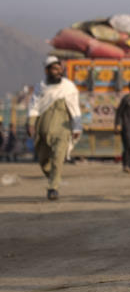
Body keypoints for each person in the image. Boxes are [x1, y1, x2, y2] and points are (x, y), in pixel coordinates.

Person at [26, 56, 82, 200]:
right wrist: (31, 123)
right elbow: (34, 106)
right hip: (42, 129)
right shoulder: (41, 86)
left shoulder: (68, 87)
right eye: (54, 69)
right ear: (47, 70)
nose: (58, 72)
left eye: (59, 69)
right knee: (44, 161)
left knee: (58, 158)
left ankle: (53, 188)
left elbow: (74, 108)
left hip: (62, 129)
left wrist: (77, 128)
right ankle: (52, 177)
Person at [114, 81, 130, 173]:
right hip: (127, 126)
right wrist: (117, 124)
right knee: (129, 145)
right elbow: (119, 112)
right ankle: (126, 165)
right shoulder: (126, 99)